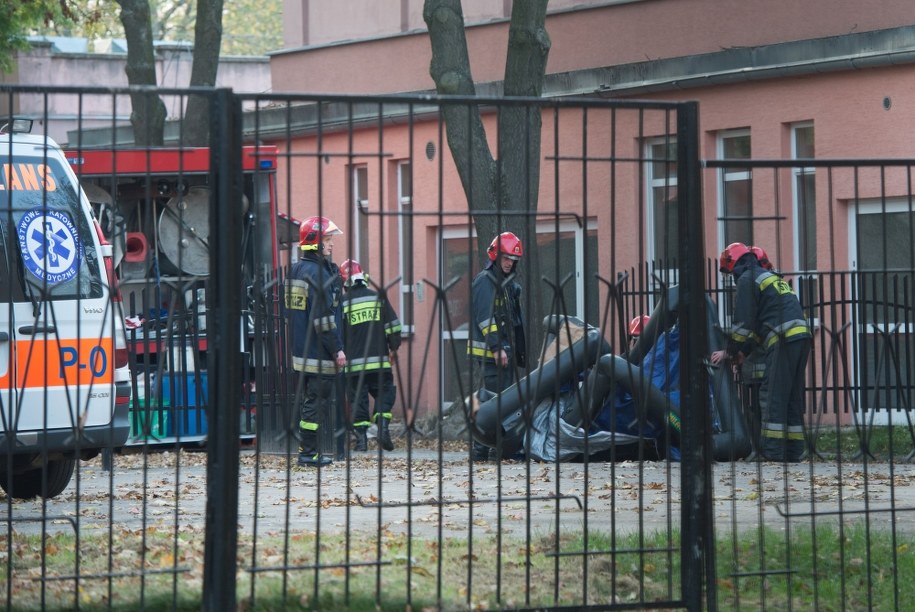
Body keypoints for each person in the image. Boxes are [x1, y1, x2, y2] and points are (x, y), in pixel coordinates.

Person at [710, 242, 811, 462]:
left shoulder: (748, 279)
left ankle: (773, 453)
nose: (731, 277)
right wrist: (743, 353)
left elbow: (743, 324)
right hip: (800, 337)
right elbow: (758, 326)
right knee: (790, 397)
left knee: (772, 395)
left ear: (734, 264)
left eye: (729, 272)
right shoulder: (768, 277)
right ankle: (793, 452)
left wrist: (729, 351)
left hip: (783, 338)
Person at [285, 216, 347, 467]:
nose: (331, 245)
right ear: (314, 243)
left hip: (301, 349)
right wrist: (338, 349)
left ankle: (307, 450)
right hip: (318, 353)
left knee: (309, 402)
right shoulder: (318, 274)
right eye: (328, 240)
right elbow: (324, 319)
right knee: (316, 404)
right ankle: (308, 454)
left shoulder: (297, 270)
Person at [468, 231, 527, 461]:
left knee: (499, 402)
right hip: (491, 355)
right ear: (495, 255)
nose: (509, 263)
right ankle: (482, 449)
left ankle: (489, 448)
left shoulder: (507, 284)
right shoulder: (485, 281)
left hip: (504, 353)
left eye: (513, 260)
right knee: (493, 402)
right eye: (505, 258)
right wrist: (496, 348)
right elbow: (486, 318)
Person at [339, 259, 402, 452]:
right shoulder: (378, 298)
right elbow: (394, 326)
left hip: (354, 366)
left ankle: (361, 442)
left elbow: (338, 333)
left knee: (358, 400)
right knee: (384, 393)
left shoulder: (342, 304)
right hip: (380, 363)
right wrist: (393, 347)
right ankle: (382, 426)